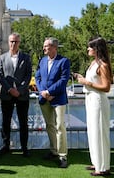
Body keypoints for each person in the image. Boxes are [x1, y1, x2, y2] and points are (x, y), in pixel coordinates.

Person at [74, 37, 112, 176]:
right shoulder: (93, 63)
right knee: (93, 132)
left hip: (98, 100)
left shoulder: (103, 65)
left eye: (90, 47)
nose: (88, 49)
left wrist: (86, 83)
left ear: (96, 49)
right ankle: (97, 162)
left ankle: (103, 167)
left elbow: (106, 87)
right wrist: (82, 79)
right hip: (90, 99)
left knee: (100, 133)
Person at [35, 37, 70, 168]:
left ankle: (62, 156)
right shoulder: (42, 61)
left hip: (58, 99)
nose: (44, 48)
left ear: (54, 47)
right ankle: (53, 151)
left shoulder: (64, 61)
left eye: (46, 46)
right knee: (50, 126)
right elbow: (37, 77)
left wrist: (49, 92)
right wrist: (43, 92)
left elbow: (63, 80)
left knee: (60, 126)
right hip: (44, 98)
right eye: (44, 46)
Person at [0, 33, 32, 157]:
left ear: (19, 43)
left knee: (23, 122)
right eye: (11, 41)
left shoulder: (26, 57)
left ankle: (24, 147)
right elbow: (0, 75)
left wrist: (20, 90)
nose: (13, 44)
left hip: (22, 95)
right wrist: (10, 89)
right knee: (6, 122)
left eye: (15, 42)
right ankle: (5, 146)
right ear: (8, 42)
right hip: (7, 95)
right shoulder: (2, 57)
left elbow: (28, 76)